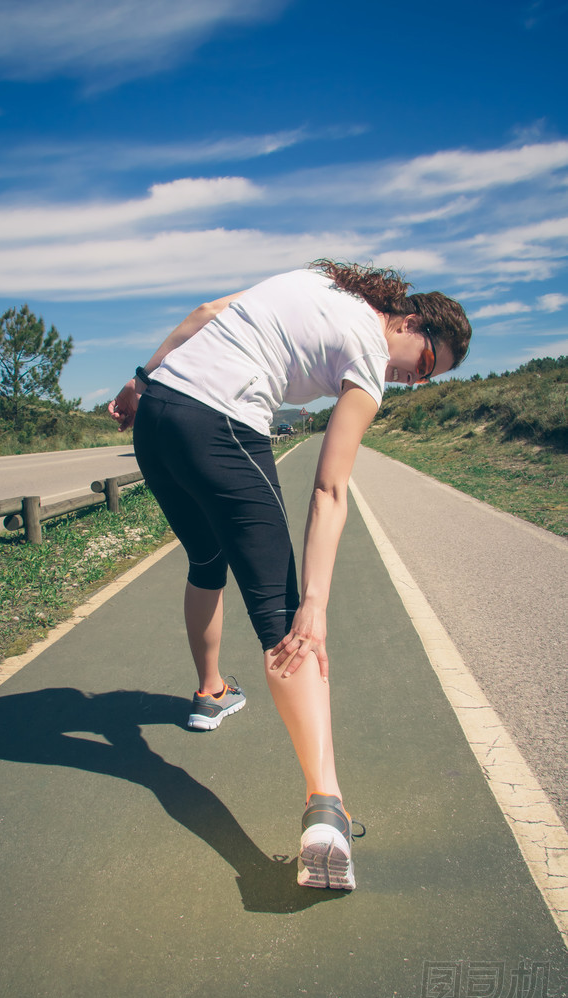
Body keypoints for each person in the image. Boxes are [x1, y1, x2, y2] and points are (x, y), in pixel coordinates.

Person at [110, 259, 472, 890]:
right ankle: (326, 805)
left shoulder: (315, 281)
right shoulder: (366, 349)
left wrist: (138, 382)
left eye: (422, 380)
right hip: (220, 424)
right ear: (411, 320)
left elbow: (205, 314)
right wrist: (315, 604)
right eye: (420, 364)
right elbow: (330, 487)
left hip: (159, 414)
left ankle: (210, 694)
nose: (410, 379)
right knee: (285, 626)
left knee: (205, 559)